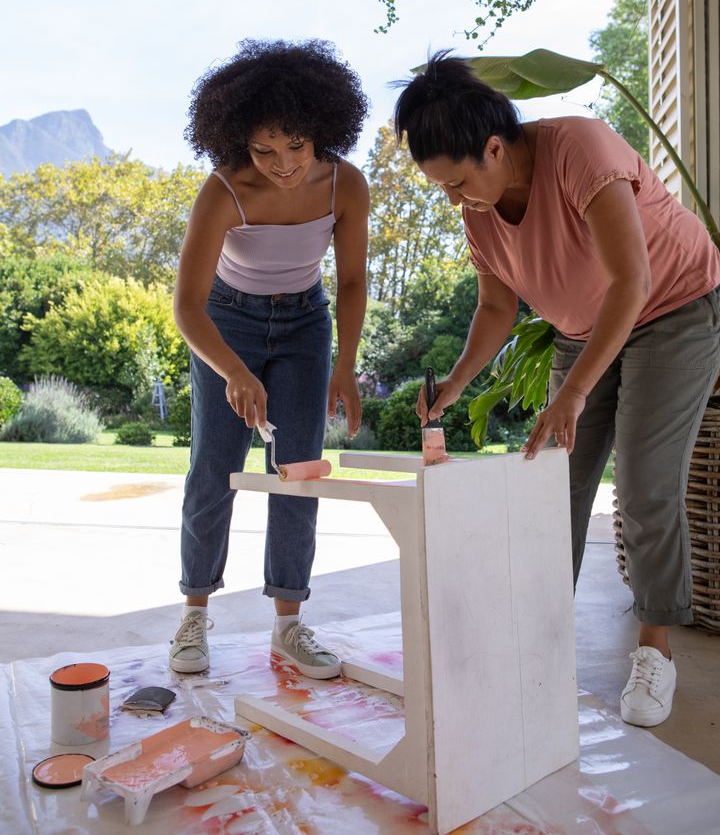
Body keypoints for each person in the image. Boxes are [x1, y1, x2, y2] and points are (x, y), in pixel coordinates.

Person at [395, 51, 720, 728]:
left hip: (673, 310)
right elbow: (495, 307)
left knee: (643, 483)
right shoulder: (478, 207)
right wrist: (455, 382)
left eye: (456, 182)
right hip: (581, 327)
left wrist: (572, 393)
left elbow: (632, 282)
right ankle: (536, 639)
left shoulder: (580, 149)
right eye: (442, 189)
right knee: (554, 483)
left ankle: (656, 649)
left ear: (493, 147)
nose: (453, 200)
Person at [171, 38, 369, 678]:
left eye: (296, 146)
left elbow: (354, 283)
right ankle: (195, 617)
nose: (281, 164)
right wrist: (233, 369)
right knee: (216, 468)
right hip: (228, 320)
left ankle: (289, 625)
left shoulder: (347, 184)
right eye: (263, 149)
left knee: (299, 470)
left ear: (321, 131)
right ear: (237, 144)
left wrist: (344, 365)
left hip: (307, 323)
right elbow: (188, 308)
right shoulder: (224, 190)